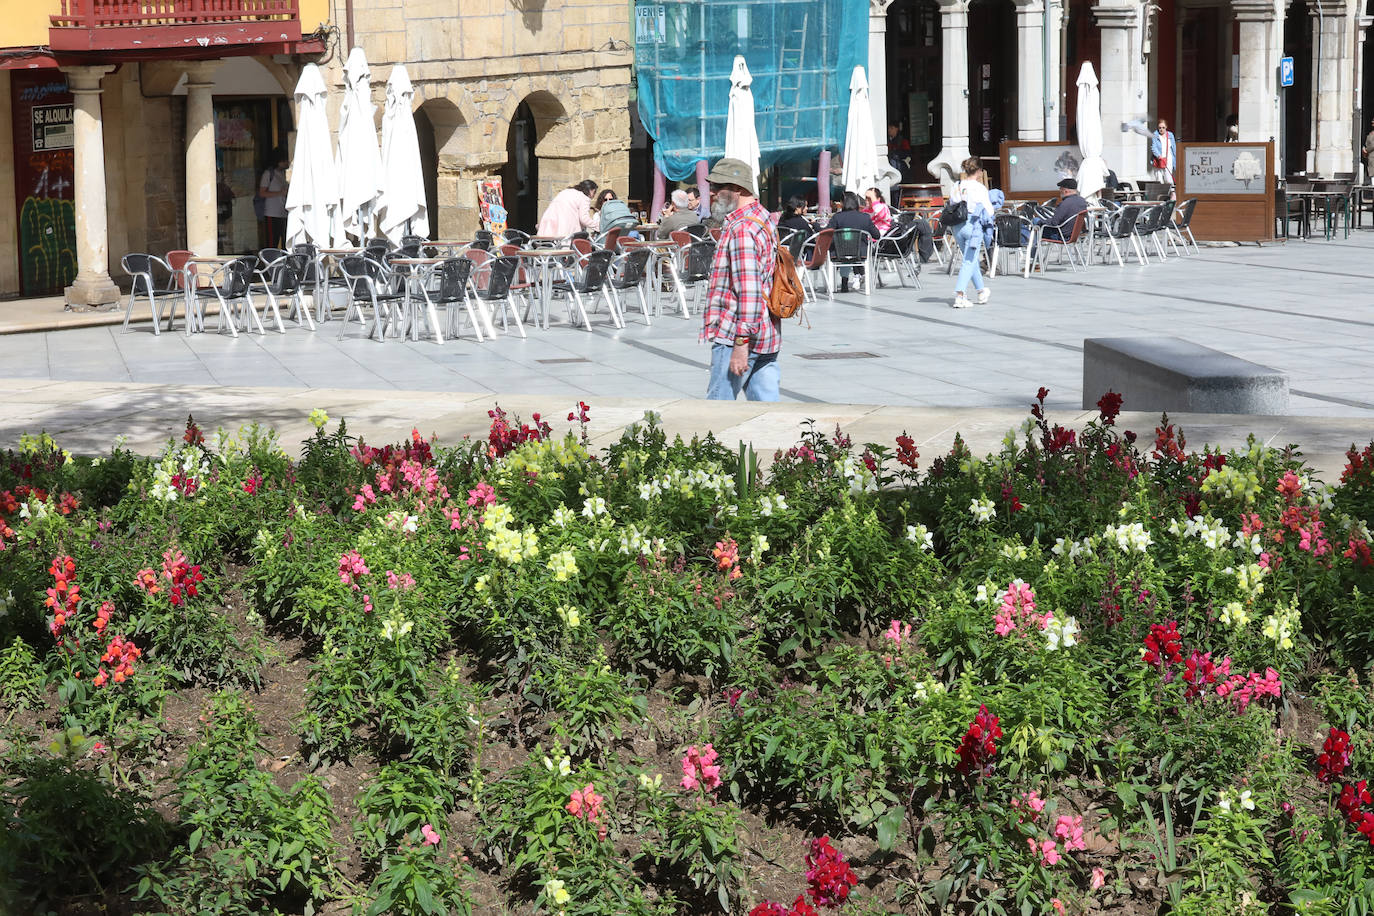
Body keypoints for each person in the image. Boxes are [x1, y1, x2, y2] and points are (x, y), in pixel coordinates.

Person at [701, 157, 780, 402]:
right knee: (767, 413)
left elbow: (749, 291)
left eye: (718, 187)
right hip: (767, 333)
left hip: (737, 334)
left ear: (738, 189)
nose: (712, 193)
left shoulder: (743, 229)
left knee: (717, 413)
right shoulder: (763, 217)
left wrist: (741, 344)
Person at [950, 156, 993, 309]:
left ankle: (981, 291)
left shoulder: (957, 185)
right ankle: (960, 295)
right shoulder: (980, 188)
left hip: (957, 226)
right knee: (968, 261)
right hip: (973, 225)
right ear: (980, 171)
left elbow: (952, 203)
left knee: (971, 259)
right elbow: (989, 210)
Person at [827, 191, 878, 293]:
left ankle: (844, 281)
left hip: (838, 254)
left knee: (842, 246)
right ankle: (851, 280)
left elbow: (827, 234)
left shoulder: (837, 217)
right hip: (861, 254)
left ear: (842, 203)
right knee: (848, 247)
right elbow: (877, 235)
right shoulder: (865, 217)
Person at [258, 151, 289, 249]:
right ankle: (270, 262)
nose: (287, 162)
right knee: (272, 242)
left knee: (286, 241)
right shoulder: (269, 174)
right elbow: (262, 193)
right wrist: (280, 193)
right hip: (272, 213)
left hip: (284, 212)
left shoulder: (285, 173)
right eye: (284, 161)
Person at [1150, 119, 1177, 199]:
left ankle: (1172, 195)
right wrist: (1158, 156)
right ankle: (1161, 198)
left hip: (1168, 159)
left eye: (1163, 127)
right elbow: (1153, 147)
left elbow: (1174, 148)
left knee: (1169, 179)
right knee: (1159, 180)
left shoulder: (1170, 135)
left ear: (1166, 127)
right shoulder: (1155, 135)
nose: (1161, 129)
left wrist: (1175, 159)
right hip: (1159, 160)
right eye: (1159, 128)